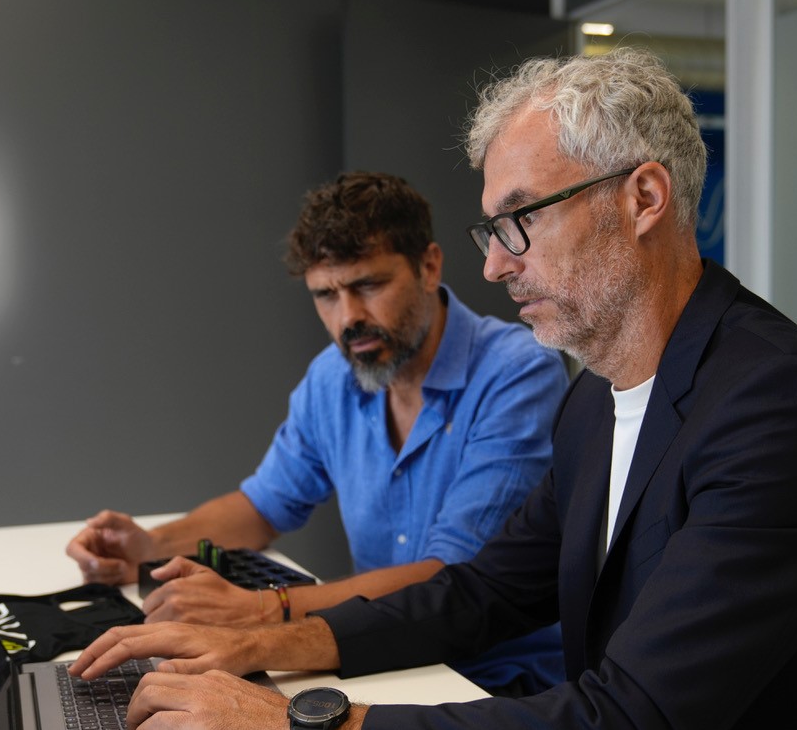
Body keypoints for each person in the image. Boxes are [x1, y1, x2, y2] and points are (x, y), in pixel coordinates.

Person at [67, 48, 797, 730]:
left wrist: (303, 727)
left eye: (522, 218)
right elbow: (481, 593)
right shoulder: (597, 401)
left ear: (643, 198)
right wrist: (265, 642)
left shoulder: (782, 407)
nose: (496, 263)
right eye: (492, 229)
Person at [66, 171, 570, 696]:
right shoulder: (334, 376)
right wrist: (150, 545)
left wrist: (264, 609)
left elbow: (451, 577)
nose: (349, 317)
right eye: (325, 295)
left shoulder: (518, 372)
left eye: (368, 286)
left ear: (428, 266)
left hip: (496, 684)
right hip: (383, 660)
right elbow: (262, 507)